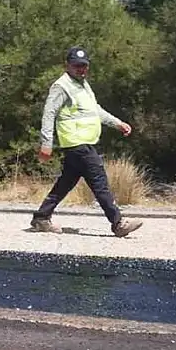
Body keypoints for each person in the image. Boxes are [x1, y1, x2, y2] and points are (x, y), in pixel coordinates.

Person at [30, 46, 143, 237]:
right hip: (77, 143)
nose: (81, 69)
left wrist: (117, 123)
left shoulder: (83, 85)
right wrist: (46, 143)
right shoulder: (61, 86)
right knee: (99, 182)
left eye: (84, 66)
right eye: (77, 66)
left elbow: (95, 110)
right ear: (67, 65)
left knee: (65, 183)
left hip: (83, 143)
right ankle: (118, 223)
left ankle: (41, 217)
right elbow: (49, 114)